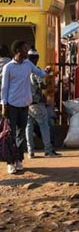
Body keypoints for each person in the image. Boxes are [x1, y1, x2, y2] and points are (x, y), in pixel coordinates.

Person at [0, 40, 51, 174]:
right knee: (11, 134)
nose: (27, 51)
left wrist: (46, 71)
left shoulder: (28, 64)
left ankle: (19, 160)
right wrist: (3, 104)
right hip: (11, 104)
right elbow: (4, 88)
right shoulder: (8, 67)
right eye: (24, 48)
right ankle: (10, 162)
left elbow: (39, 73)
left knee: (21, 134)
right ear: (18, 51)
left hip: (24, 104)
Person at [25, 49, 60, 158]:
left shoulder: (24, 69)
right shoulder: (35, 70)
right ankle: (48, 150)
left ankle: (30, 151)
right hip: (37, 103)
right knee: (44, 125)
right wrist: (49, 80)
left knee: (28, 127)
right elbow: (41, 86)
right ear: (36, 59)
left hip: (25, 102)